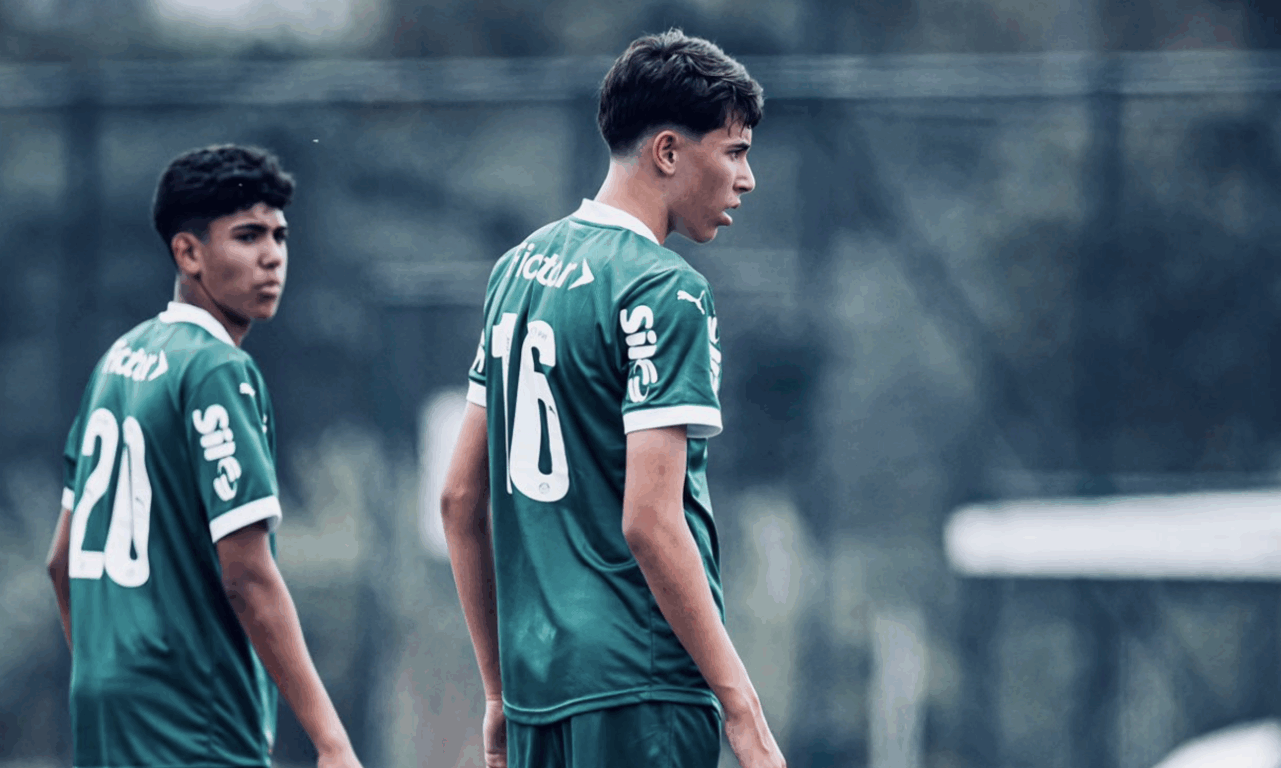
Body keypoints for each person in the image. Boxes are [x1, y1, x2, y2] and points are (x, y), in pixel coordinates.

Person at [441, 29, 787, 768]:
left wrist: (499, 692)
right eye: (733, 151)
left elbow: (459, 497)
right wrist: (743, 709)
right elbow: (652, 524)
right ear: (667, 152)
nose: (747, 178)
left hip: (539, 688)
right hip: (642, 683)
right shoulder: (665, 290)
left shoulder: (516, 271)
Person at [45, 145, 363, 768]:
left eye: (279, 234)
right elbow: (246, 575)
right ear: (187, 252)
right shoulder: (218, 368)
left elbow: (61, 561)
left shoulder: (118, 359)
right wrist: (331, 740)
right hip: (192, 716)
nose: (272, 255)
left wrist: (105, 673)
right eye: (247, 236)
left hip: (103, 707)